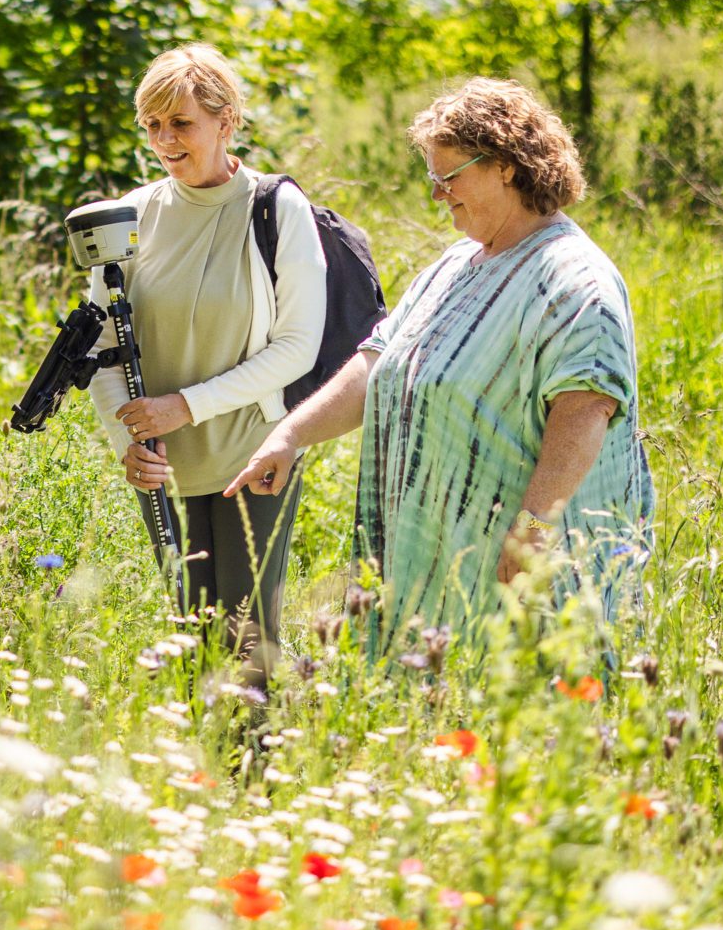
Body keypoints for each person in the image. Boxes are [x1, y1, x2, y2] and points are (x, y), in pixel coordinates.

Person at [227, 78, 654, 649]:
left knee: (525, 715)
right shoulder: (455, 264)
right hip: (432, 569)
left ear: (505, 164)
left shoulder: (573, 277)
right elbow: (377, 361)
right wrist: (290, 436)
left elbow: (585, 408)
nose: (436, 195)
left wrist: (531, 529)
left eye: (448, 177)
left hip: (521, 569)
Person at [88, 45, 328, 697]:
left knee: (248, 632)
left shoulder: (277, 210)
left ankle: (254, 780)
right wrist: (128, 442)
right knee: (187, 635)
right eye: (152, 125)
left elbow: (298, 346)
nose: (165, 140)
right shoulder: (128, 217)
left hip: (254, 453)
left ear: (227, 122)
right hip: (161, 463)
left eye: (181, 123)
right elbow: (100, 345)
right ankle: (196, 776)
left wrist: (184, 405)